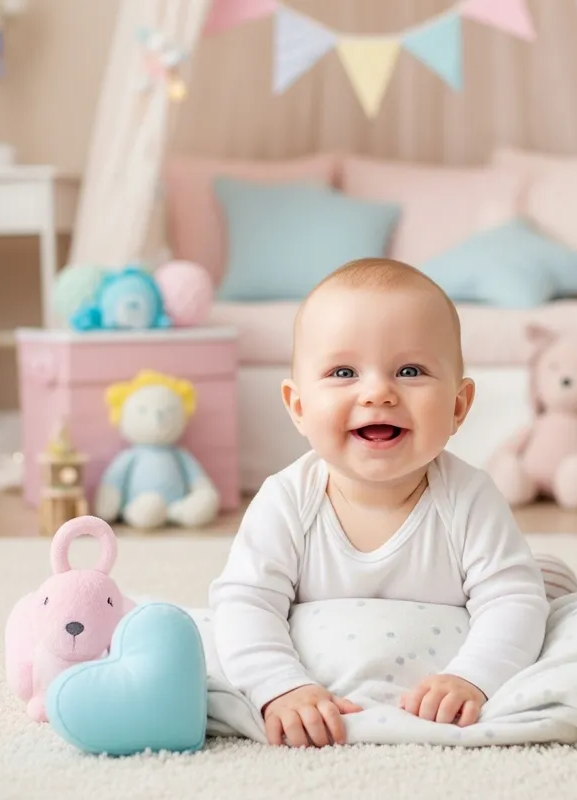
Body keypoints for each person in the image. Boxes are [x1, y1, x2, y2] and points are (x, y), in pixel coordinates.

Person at [209, 257, 558, 749]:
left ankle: (548, 574)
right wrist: (280, 686)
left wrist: (473, 677)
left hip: (457, 637)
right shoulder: (286, 500)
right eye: (343, 371)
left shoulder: (470, 497)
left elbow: (512, 602)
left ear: (458, 406)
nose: (377, 392)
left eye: (410, 370)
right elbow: (245, 602)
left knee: (537, 588)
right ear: (299, 407)